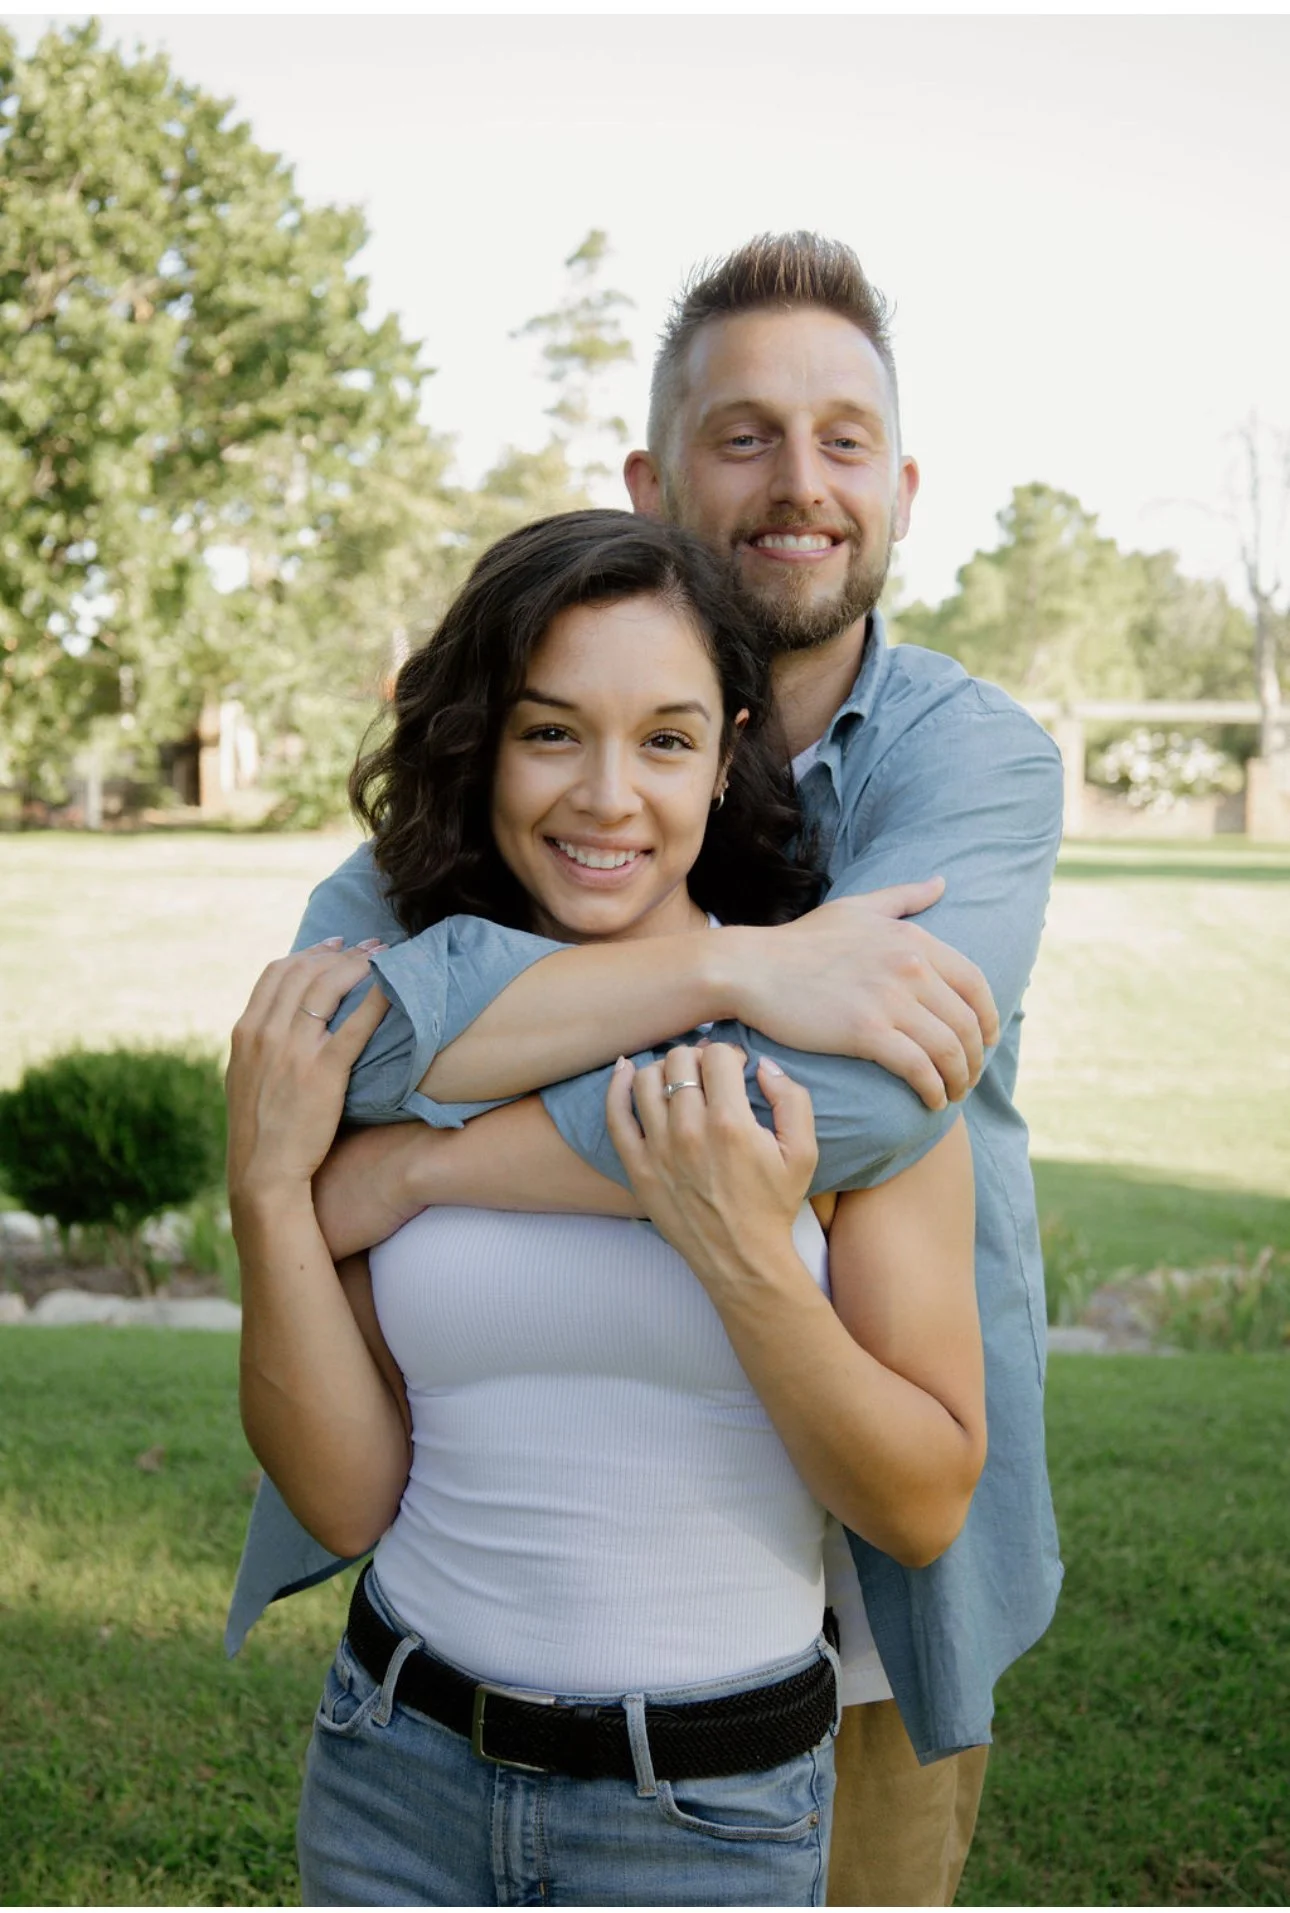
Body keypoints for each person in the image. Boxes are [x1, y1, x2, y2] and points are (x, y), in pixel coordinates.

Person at [228, 232, 1065, 1907]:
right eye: (741, 434)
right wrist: (742, 968)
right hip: (405, 1755)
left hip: (793, 1709)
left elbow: (879, 1100)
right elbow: (335, 1040)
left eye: (841, 440)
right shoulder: (481, 848)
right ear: (655, 476)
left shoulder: (962, 762)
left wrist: (413, 1163)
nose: (796, 484)